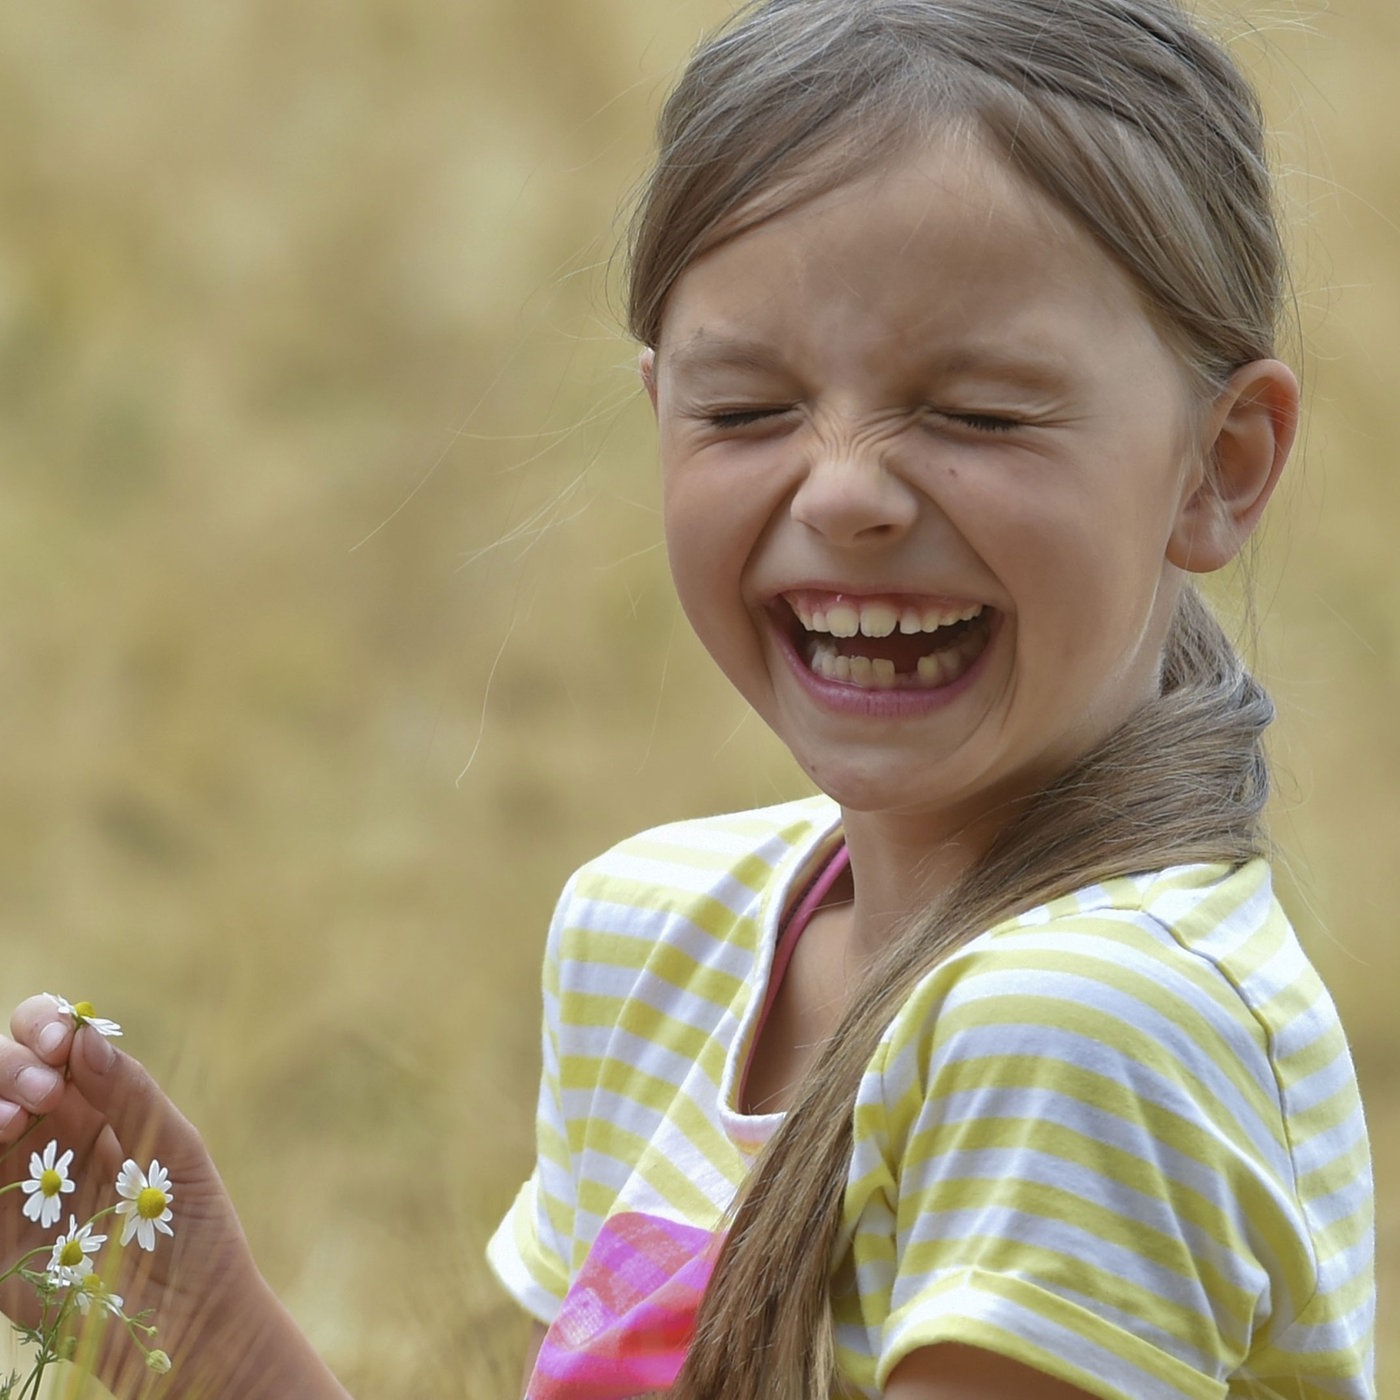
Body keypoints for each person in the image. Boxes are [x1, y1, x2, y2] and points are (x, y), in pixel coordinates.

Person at [0, 0, 1376, 1396]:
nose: (842, 492)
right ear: (658, 410)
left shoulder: (1086, 1032)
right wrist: (194, 1320)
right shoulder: (658, 937)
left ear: (1221, 463)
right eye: (746, 410)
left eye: (979, 414)